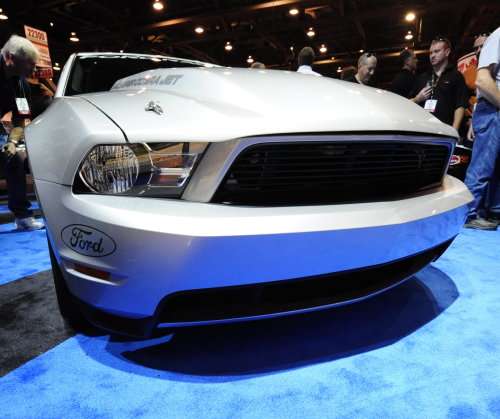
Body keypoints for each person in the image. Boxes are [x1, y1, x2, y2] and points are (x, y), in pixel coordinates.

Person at [0, 35, 44, 230]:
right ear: (11, 58)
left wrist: (12, 142)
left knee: (16, 157)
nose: (34, 70)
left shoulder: (21, 85)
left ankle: (22, 217)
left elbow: (20, 119)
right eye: (30, 64)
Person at [463, 27, 500, 230]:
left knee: (494, 167)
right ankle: (469, 213)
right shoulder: (498, 36)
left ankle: (493, 211)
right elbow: (483, 81)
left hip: (493, 107)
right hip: (493, 107)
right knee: (483, 165)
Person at [412, 37, 469, 131]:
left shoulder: (456, 76)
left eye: (436, 51)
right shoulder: (422, 77)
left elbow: (460, 105)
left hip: (446, 131)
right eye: (431, 53)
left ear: (447, 52)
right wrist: (417, 98)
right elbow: (408, 102)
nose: (432, 55)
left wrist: (454, 130)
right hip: (424, 131)